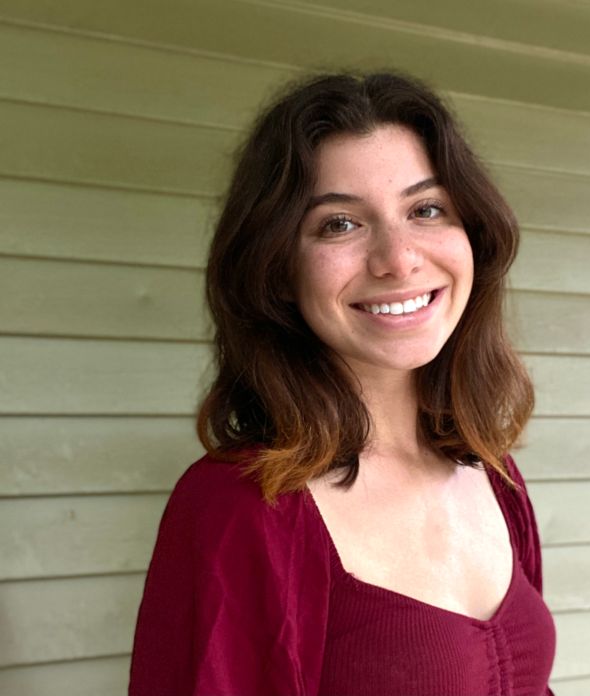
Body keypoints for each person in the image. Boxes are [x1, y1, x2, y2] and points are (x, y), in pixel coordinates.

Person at [129, 69, 556, 696]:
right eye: (339, 224)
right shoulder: (241, 507)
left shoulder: (493, 475)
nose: (398, 258)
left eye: (426, 209)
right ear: (277, 269)